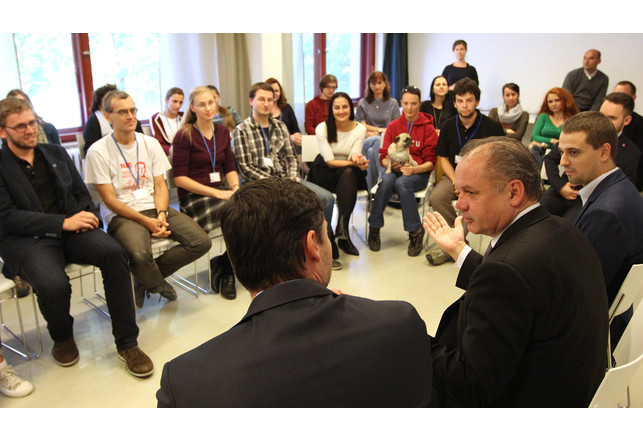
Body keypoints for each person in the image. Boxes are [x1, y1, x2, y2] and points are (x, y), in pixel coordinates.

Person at [156, 177, 433, 407]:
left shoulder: (185, 383)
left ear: (235, 259)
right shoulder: (400, 322)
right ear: (312, 245)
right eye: (326, 234)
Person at [423, 136, 608, 407]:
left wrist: (409, 338)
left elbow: (473, 385)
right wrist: (459, 250)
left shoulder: (505, 272)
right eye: (458, 192)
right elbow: (520, 288)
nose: (459, 205)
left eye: (470, 193)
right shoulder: (564, 229)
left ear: (513, 192)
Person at [0, 97, 154, 377]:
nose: (30, 130)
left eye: (32, 123)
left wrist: (87, 217)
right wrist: (64, 222)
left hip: (72, 230)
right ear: (2, 131)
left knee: (114, 253)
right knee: (53, 285)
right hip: (29, 240)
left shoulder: (55, 153)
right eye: (20, 126)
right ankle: (62, 337)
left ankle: (128, 343)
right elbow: (7, 217)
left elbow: (81, 195)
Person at [84, 91, 211, 308]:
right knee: (139, 255)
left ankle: (144, 278)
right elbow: (109, 200)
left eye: (133, 110)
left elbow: (160, 185)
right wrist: (146, 222)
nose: (130, 116)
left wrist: (161, 214)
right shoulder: (98, 151)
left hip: (155, 207)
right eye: (122, 112)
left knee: (201, 242)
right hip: (122, 215)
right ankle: (156, 283)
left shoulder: (150, 144)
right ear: (108, 116)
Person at [232, 82, 341, 270]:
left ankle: (321, 249)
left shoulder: (280, 126)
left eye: (270, 99)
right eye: (261, 99)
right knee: (283, 209)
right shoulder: (241, 130)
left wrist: (292, 180)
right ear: (251, 101)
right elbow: (246, 168)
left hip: (287, 180)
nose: (266, 103)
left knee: (326, 198)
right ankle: (288, 254)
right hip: (259, 186)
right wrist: (277, 184)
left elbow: (291, 158)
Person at [558, 111, 643, 350]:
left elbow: (577, 292)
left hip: (588, 336)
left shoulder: (606, 214)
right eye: (562, 151)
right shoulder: (620, 188)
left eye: (574, 152)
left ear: (604, 152)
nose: (563, 161)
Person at [171, 86, 240, 300]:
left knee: (250, 208)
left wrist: (235, 188)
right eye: (202, 104)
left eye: (211, 103)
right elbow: (179, 179)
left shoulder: (222, 132)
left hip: (221, 192)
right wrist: (216, 193)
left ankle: (224, 264)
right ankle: (228, 272)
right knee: (235, 213)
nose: (208, 108)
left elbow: (229, 167)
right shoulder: (184, 135)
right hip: (194, 197)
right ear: (192, 108)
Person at [427, 78, 504, 265]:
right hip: (453, 176)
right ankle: (458, 241)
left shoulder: (492, 127)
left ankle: (451, 246)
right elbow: (443, 158)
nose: (464, 105)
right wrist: (456, 181)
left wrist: (469, 184)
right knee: (436, 197)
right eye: (460, 101)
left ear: (477, 101)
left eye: (469, 100)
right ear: (454, 103)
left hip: (481, 179)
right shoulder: (448, 125)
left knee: (472, 201)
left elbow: (499, 159)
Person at [541, 93, 640, 220]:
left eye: (611, 118)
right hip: (562, 189)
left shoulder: (631, 153)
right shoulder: (581, 133)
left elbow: (620, 190)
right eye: (601, 115)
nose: (603, 122)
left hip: (588, 199)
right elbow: (550, 158)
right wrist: (560, 186)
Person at [367, 86, 437, 257]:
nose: (409, 107)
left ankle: (415, 231)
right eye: (406, 103)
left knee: (402, 183)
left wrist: (414, 169)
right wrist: (390, 164)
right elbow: (383, 156)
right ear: (401, 103)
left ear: (420, 103)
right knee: (387, 182)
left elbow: (431, 162)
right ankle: (374, 227)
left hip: (418, 172)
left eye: (414, 103)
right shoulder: (393, 126)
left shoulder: (428, 128)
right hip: (395, 169)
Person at [309, 92, 368, 256]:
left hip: (348, 174)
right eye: (337, 107)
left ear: (351, 108)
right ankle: (336, 234)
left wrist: (358, 160)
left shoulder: (360, 129)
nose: (341, 111)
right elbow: (330, 161)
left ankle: (342, 230)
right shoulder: (322, 128)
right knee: (350, 171)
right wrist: (355, 164)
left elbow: (354, 154)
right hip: (325, 171)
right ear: (331, 109)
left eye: (345, 107)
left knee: (349, 173)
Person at [356, 71, 401, 190]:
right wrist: (381, 130)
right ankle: (383, 179)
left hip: (387, 140)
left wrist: (382, 133)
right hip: (366, 139)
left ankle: (370, 191)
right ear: (369, 85)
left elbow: (396, 126)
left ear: (385, 84)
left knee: (372, 152)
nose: (376, 86)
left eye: (379, 83)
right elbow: (362, 125)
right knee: (376, 140)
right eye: (373, 83)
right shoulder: (363, 103)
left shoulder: (392, 103)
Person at [83, 84, 143, 154]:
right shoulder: (93, 121)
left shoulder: (131, 119)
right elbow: (90, 148)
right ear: (100, 105)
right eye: (107, 100)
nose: (130, 116)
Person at [528, 87, 578, 170]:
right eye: (550, 101)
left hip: (560, 152)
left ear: (564, 101)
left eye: (557, 100)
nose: (553, 104)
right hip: (541, 151)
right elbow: (534, 137)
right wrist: (552, 141)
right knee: (533, 150)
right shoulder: (543, 116)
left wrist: (545, 144)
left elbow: (570, 141)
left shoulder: (571, 120)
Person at [266, 77, 306, 175]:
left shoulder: (286, 107)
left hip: (291, 143)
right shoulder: (264, 109)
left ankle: (302, 171)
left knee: (298, 145)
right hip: (273, 144)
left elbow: (295, 128)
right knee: (293, 146)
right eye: (272, 91)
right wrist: (289, 137)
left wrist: (297, 136)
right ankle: (305, 171)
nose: (275, 93)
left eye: (277, 91)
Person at [614, 80, 643, 190]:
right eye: (615, 95)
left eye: (623, 96)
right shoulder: (601, 121)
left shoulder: (640, 124)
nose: (618, 99)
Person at [150, 87, 184, 156]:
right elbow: (158, 144)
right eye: (175, 101)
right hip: (168, 156)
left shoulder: (183, 117)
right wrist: (175, 151)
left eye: (180, 102)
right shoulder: (156, 119)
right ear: (166, 100)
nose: (178, 106)